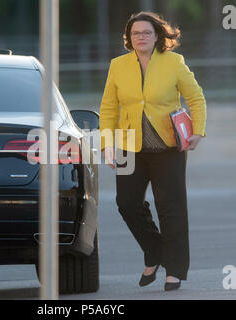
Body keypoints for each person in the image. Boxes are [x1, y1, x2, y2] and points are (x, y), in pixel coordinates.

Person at [99, 12, 207, 291]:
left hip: (168, 147)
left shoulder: (174, 62)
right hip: (127, 145)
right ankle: (155, 250)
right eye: (135, 33)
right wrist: (107, 144)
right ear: (129, 38)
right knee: (126, 203)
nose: (141, 37)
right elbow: (109, 108)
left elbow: (195, 97)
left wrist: (198, 130)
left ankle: (175, 270)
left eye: (146, 32)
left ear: (158, 35)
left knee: (171, 209)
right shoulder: (117, 65)